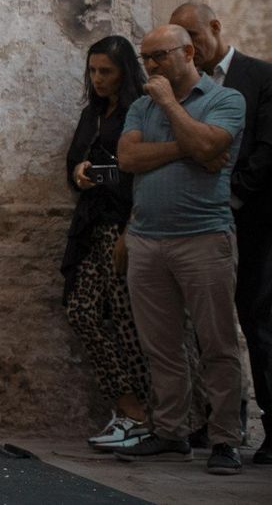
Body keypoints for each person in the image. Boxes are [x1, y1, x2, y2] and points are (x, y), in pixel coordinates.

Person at [115, 24, 246, 475]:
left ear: (189, 52)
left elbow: (212, 144)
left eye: (159, 56)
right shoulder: (139, 106)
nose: (150, 66)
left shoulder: (225, 100)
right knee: (162, 346)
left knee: (218, 344)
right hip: (148, 241)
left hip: (204, 238)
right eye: (145, 59)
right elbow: (129, 159)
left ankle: (226, 438)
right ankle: (170, 432)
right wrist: (186, 148)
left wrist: (172, 106)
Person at [172, 2, 272, 464]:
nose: (190, 48)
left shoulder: (261, 77)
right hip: (199, 227)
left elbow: (266, 151)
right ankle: (220, 422)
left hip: (252, 223)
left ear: (215, 27)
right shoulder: (184, 88)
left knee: (258, 322)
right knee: (209, 329)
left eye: (194, 35)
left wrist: (230, 198)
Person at [62, 36, 152, 449]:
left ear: (124, 72)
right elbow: (75, 165)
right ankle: (129, 406)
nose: (97, 79)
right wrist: (81, 169)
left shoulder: (140, 113)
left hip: (124, 226)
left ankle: (147, 416)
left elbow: (135, 172)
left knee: (128, 320)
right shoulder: (92, 114)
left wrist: (96, 174)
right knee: (82, 311)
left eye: (106, 72)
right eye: (93, 71)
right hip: (91, 227)